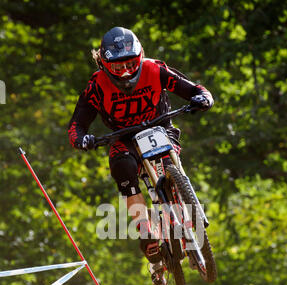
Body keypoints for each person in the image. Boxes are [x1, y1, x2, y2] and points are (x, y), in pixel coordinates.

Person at [68, 26, 214, 264]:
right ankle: (145, 228)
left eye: (131, 65)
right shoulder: (96, 86)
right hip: (125, 138)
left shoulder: (155, 69)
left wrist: (203, 98)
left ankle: (186, 203)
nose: (125, 73)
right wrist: (82, 139)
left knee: (168, 161)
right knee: (122, 166)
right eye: (117, 67)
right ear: (104, 65)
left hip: (160, 128)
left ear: (141, 57)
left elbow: (194, 89)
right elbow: (76, 125)